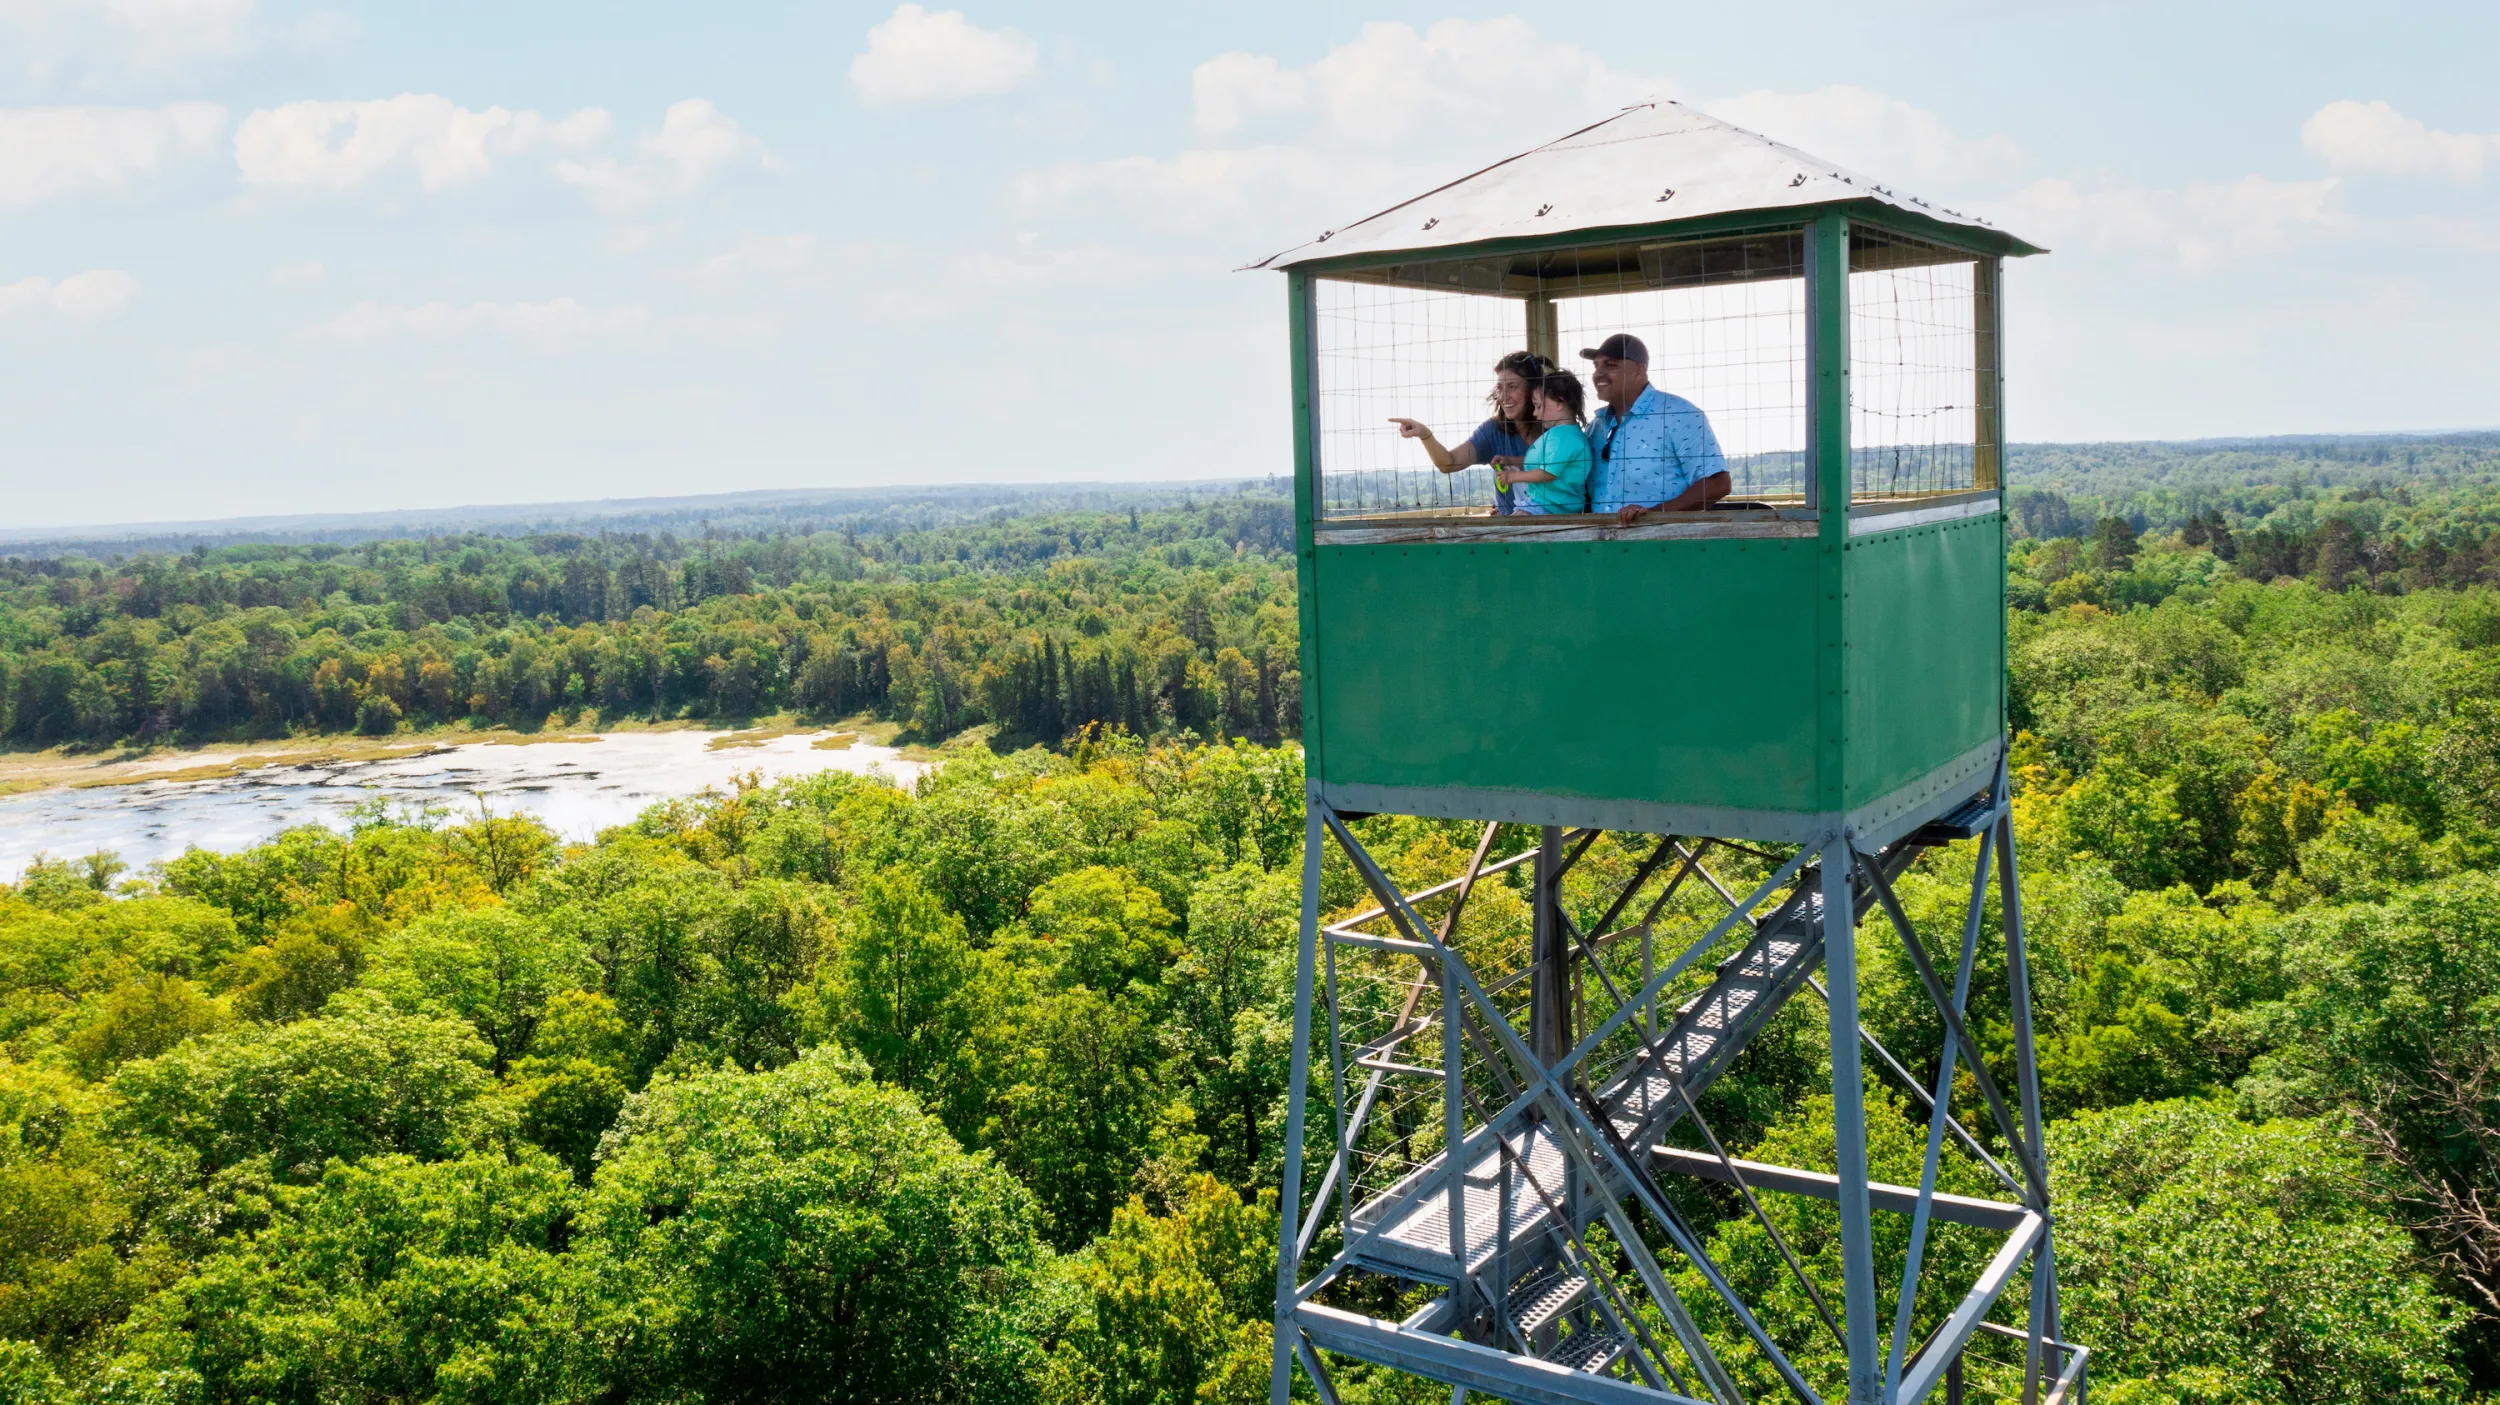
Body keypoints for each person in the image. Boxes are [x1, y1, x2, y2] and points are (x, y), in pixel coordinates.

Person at [1582, 333, 1732, 524]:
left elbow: (1717, 483)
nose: (1599, 374)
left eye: (1611, 365)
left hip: (1662, 545)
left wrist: (1653, 515)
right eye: (1596, 366)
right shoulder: (1596, 427)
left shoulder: (1678, 414)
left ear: (1639, 370)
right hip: (1599, 545)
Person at [1388, 350, 1553, 516]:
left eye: (1512, 387)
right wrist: (1425, 435)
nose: (1504, 397)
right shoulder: (1492, 431)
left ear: (1534, 388)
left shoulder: (1556, 430)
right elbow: (1448, 462)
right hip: (1509, 532)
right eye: (1499, 388)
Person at [1499, 368, 1594, 515]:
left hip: (1550, 505)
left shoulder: (1563, 437)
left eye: (1539, 406)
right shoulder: (1565, 434)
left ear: (1560, 402)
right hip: (1547, 503)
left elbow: (1548, 473)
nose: (1535, 413)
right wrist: (1511, 461)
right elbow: (1547, 464)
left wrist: (1513, 477)